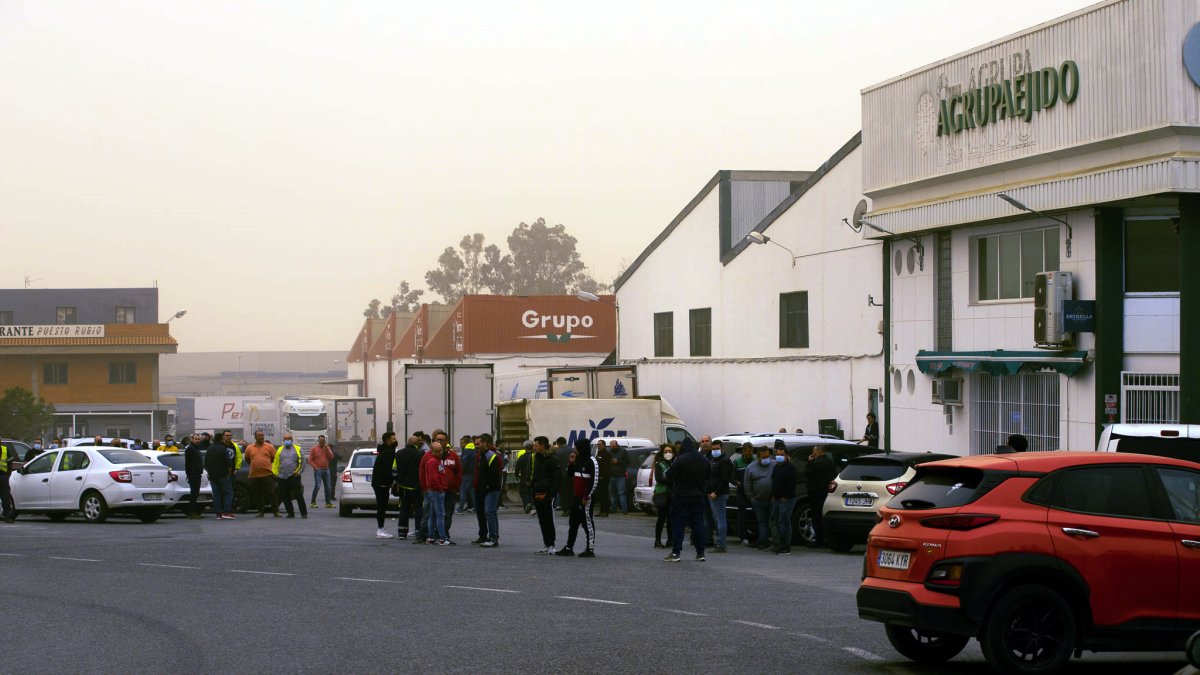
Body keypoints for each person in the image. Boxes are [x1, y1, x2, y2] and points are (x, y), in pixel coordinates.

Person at [664, 437, 710, 562]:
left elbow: (668, 475)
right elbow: (708, 476)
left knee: (678, 525)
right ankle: (700, 553)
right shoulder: (704, 460)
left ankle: (676, 553)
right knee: (698, 526)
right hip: (699, 497)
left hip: (681, 497)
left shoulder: (680, 460)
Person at [557, 438, 597, 558]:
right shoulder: (578, 460)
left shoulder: (592, 461)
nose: (575, 449)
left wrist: (587, 496)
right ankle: (569, 547)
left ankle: (590, 549)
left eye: (576, 447)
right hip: (576, 496)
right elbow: (569, 474)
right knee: (573, 523)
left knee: (587, 523)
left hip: (585, 498)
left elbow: (594, 481)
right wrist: (571, 462)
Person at [529, 435, 560, 554]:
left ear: (542, 445)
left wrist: (552, 494)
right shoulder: (537, 457)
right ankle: (546, 544)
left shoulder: (553, 458)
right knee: (542, 520)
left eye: (536, 445)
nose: (534, 447)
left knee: (549, 520)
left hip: (548, 494)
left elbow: (557, 478)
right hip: (537, 492)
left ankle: (552, 544)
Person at [805, 445, 837, 548]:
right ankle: (826, 539)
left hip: (816, 493)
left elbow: (808, 473)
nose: (812, 453)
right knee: (823, 516)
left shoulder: (816, 463)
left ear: (818, 452)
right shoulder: (830, 462)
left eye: (814, 451)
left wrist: (809, 462)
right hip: (826, 492)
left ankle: (819, 540)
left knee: (817, 517)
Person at [744, 446, 775, 550]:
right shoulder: (751, 467)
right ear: (758, 457)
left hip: (772, 499)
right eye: (763, 457)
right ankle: (763, 542)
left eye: (767, 456)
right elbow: (747, 484)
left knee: (772, 522)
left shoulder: (775, 464)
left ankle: (775, 542)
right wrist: (751, 497)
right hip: (758, 500)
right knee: (762, 522)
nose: (766, 459)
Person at [474, 434, 502, 547]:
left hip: (491, 489)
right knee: (484, 512)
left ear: (485, 443)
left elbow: (494, 473)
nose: (476, 446)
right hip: (482, 488)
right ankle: (485, 536)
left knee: (489, 512)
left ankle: (493, 538)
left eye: (478, 443)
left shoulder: (491, 455)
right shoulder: (480, 455)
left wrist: (486, 486)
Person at [421, 442, 451, 545]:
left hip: (434, 491)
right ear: (432, 451)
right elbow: (433, 478)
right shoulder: (432, 462)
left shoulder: (435, 460)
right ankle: (442, 538)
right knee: (440, 515)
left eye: (440, 450)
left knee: (433, 515)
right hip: (436, 491)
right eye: (437, 451)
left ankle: (430, 537)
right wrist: (440, 488)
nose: (439, 453)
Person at [769, 443, 798, 555]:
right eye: (778, 454)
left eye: (781, 454)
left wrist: (785, 496)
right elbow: (774, 481)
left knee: (784, 522)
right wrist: (773, 495)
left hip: (786, 500)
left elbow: (792, 484)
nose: (779, 456)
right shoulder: (776, 467)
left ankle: (786, 547)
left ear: (786, 456)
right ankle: (780, 544)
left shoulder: (790, 468)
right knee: (777, 522)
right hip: (776, 499)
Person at [394, 435, 423, 540]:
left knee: (404, 509)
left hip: (403, 487)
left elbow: (394, 469)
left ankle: (402, 533)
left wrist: (397, 481)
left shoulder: (398, 453)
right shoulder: (420, 454)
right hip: (417, 487)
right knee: (419, 509)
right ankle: (418, 531)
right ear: (417, 444)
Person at [244, 431, 278, 518]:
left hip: (267, 474)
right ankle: (260, 512)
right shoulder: (249, 448)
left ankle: (276, 512)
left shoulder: (269, 447)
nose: (261, 437)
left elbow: (274, 458)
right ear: (255, 437)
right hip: (254, 475)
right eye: (259, 435)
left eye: (262, 435)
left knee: (271, 493)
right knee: (258, 494)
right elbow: (247, 459)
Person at [371, 432, 398, 539]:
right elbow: (388, 469)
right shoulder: (389, 452)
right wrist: (391, 482)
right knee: (382, 506)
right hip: (381, 483)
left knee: (381, 505)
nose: (395, 440)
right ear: (387, 441)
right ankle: (380, 529)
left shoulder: (384, 450)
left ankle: (381, 528)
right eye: (393, 439)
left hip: (379, 482)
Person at [273, 434, 307, 519]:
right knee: (285, 496)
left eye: (289, 439)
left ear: (292, 440)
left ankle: (303, 513)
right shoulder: (280, 450)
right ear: (283, 440)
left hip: (294, 476)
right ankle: (290, 513)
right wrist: (276, 474)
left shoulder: (298, 449)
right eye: (285, 439)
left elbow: (303, 461)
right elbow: (276, 462)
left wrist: (299, 472)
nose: (287, 440)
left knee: (298, 495)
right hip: (282, 477)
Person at [707, 441, 733, 552]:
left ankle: (721, 544)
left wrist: (715, 492)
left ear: (722, 449)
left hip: (719, 495)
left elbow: (725, 479)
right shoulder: (713, 460)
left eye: (717, 448)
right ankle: (720, 543)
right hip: (712, 494)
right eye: (713, 449)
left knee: (721, 519)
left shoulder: (725, 461)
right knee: (717, 519)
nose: (715, 451)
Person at [205, 430, 236, 520]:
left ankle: (218, 513)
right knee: (229, 493)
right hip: (223, 475)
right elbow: (229, 464)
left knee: (217, 494)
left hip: (212, 476)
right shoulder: (223, 449)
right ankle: (226, 512)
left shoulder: (209, 449)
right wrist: (228, 474)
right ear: (221, 439)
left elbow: (206, 464)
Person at [438, 431, 462, 539]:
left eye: (441, 440)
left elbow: (459, 471)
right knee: (435, 513)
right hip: (436, 491)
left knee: (447, 514)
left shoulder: (453, 456)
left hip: (450, 491)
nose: (439, 441)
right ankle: (435, 533)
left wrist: (456, 487)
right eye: (437, 439)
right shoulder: (430, 455)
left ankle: (445, 533)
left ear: (446, 442)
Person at [732, 442, 754, 546]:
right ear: (743, 452)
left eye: (751, 452)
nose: (750, 454)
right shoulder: (737, 462)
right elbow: (732, 477)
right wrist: (737, 483)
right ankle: (743, 537)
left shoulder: (755, 461)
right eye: (748, 453)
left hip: (754, 493)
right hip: (741, 493)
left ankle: (756, 536)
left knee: (755, 514)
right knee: (742, 516)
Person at [651, 445, 674, 548]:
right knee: (661, 517)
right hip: (662, 493)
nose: (668, 453)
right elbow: (659, 478)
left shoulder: (675, 463)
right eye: (666, 451)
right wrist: (672, 482)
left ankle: (670, 540)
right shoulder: (659, 463)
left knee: (671, 518)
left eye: (670, 451)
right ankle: (658, 540)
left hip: (672, 494)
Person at [307, 435, 335, 508]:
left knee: (328, 487)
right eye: (321, 440)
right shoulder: (314, 449)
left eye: (324, 441)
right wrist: (315, 467)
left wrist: (327, 449)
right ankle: (313, 502)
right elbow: (310, 460)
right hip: (318, 470)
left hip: (326, 469)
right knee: (317, 486)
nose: (322, 442)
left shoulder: (326, 448)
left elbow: (332, 457)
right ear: (318, 441)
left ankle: (328, 503)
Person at [184, 433, 205, 519]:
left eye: (198, 439)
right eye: (195, 439)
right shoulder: (190, 449)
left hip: (197, 473)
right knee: (193, 494)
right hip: (193, 474)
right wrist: (190, 475)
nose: (197, 440)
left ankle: (193, 512)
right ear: (192, 439)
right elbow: (188, 464)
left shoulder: (196, 449)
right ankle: (191, 512)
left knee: (195, 494)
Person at [608, 439, 630, 515]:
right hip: (611, 476)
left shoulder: (623, 451)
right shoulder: (609, 452)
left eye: (613, 446)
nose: (612, 448)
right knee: (612, 493)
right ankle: (613, 509)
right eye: (611, 446)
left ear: (617, 445)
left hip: (621, 476)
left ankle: (624, 509)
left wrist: (617, 461)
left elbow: (628, 462)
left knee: (621, 493)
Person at [555, 437, 573, 515]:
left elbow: (556, 464)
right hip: (572, 475)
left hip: (562, 475)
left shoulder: (558, 452)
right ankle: (572, 508)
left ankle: (566, 510)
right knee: (571, 492)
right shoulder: (573, 450)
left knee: (563, 493)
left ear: (558, 443)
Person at [457, 436, 475, 513]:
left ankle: (460, 508)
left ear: (466, 443)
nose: (460, 445)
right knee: (472, 491)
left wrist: (460, 472)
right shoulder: (474, 450)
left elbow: (463, 464)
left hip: (466, 474)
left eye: (462, 443)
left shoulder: (466, 451)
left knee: (463, 491)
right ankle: (477, 507)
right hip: (473, 473)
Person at [515, 440, 534, 514]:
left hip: (524, 478)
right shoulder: (535, 456)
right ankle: (533, 505)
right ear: (532, 447)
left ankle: (527, 505)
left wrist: (516, 475)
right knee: (532, 492)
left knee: (524, 492)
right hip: (533, 478)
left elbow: (517, 467)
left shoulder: (522, 457)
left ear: (525, 448)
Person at [594, 439, 611, 517]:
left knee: (604, 495)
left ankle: (605, 511)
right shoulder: (598, 454)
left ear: (604, 445)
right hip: (598, 477)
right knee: (600, 495)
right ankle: (602, 510)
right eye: (598, 444)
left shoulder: (606, 454)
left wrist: (603, 476)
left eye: (600, 444)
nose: (598, 446)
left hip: (604, 478)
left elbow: (606, 467)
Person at [1, 437, 15, 523]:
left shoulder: (5, 450)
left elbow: (10, 462)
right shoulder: (5, 449)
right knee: (5, 496)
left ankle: (7, 515)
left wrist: (7, 474)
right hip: (3, 476)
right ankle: (7, 516)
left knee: (5, 497)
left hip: (3, 476)